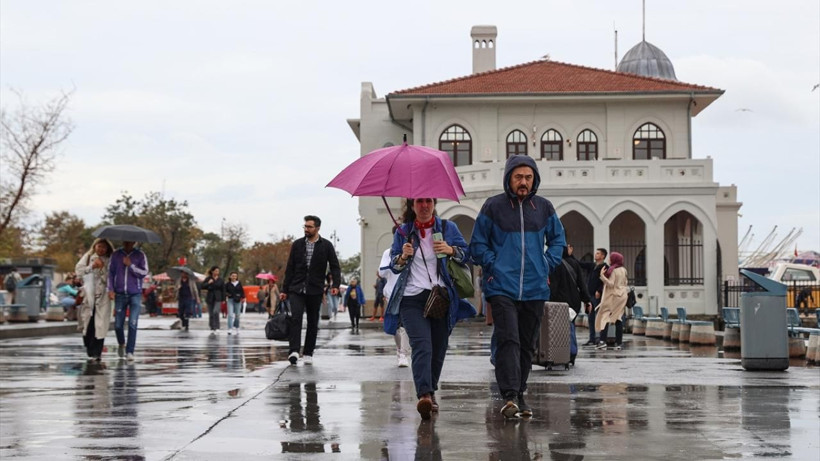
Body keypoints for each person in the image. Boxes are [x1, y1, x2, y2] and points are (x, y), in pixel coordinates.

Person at [470, 155, 565, 419]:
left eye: (528, 177)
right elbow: (477, 244)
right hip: (501, 287)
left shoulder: (544, 208)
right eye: (518, 177)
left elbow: (558, 240)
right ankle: (509, 394)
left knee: (526, 344)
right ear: (509, 178)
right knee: (508, 339)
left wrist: (547, 262)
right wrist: (494, 264)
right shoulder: (493, 207)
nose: (523, 182)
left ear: (534, 179)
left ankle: (520, 393)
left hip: (535, 287)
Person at [385, 198, 472, 420]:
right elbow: (394, 265)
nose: (424, 206)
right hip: (412, 298)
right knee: (422, 344)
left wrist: (450, 249)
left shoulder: (447, 228)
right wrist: (403, 256)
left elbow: (467, 254)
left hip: (441, 297)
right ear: (412, 206)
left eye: (428, 202)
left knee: (439, 347)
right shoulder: (404, 232)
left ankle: (430, 390)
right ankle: (423, 394)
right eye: (420, 202)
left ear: (433, 204)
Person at [280, 215, 342, 366]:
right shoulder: (297, 244)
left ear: (317, 228)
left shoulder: (326, 245)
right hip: (296, 287)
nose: (306, 229)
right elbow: (290, 268)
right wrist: (284, 289)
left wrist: (335, 286)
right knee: (296, 318)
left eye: (309, 227)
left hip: (315, 289)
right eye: (305, 226)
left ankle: (308, 352)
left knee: (313, 322)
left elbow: (335, 266)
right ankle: (294, 351)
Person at [549, 245, 591, 365]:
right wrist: (587, 300)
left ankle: (558, 353)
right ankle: (571, 352)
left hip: (558, 300)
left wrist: (548, 298)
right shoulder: (574, 263)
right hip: (573, 300)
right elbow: (581, 283)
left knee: (556, 328)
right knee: (570, 325)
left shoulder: (555, 263)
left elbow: (553, 286)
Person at [108, 240, 149, 361]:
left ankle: (130, 351)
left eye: (130, 242)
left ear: (135, 242)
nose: (127, 243)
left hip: (135, 294)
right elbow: (110, 273)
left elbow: (144, 272)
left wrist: (131, 265)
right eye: (125, 241)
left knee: (133, 323)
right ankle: (121, 343)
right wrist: (110, 289)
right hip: (120, 294)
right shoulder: (116, 255)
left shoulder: (140, 255)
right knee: (118, 325)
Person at [75, 238, 114, 362]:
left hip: (103, 297)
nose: (101, 249)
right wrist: (92, 266)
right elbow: (80, 272)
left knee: (100, 325)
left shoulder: (110, 260)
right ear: (95, 246)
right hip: (88, 296)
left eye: (104, 247)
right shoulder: (88, 257)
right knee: (88, 324)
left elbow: (111, 278)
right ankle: (89, 347)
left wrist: (102, 269)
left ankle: (97, 352)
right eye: (99, 246)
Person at [379, 247, 410, 368]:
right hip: (392, 293)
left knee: (405, 324)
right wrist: (397, 262)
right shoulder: (389, 252)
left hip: (409, 292)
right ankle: (399, 349)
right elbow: (382, 272)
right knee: (395, 325)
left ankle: (404, 354)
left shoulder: (416, 249)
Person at [595, 251, 628, 350]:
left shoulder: (614, 270)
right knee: (618, 318)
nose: (609, 260)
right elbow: (625, 282)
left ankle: (602, 341)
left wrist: (602, 276)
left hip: (613, 296)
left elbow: (611, 284)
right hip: (622, 296)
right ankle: (619, 343)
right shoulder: (623, 270)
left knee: (605, 316)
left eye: (611, 258)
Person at [581, 248, 609, 346]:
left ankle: (599, 338)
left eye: (598, 253)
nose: (595, 255)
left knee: (599, 317)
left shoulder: (605, 267)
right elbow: (580, 264)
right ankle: (592, 339)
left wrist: (599, 290)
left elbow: (605, 281)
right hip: (589, 295)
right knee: (590, 317)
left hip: (597, 296)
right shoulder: (592, 266)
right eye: (596, 253)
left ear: (603, 256)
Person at [202, 266, 225, 334]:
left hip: (218, 298)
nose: (217, 272)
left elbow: (223, 289)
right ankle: (212, 327)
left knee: (216, 312)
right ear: (212, 271)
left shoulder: (220, 280)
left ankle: (217, 327)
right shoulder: (208, 278)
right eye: (215, 271)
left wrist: (223, 299)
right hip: (210, 297)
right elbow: (202, 286)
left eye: (218, 271)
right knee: (211, 314)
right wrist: (208, 283)